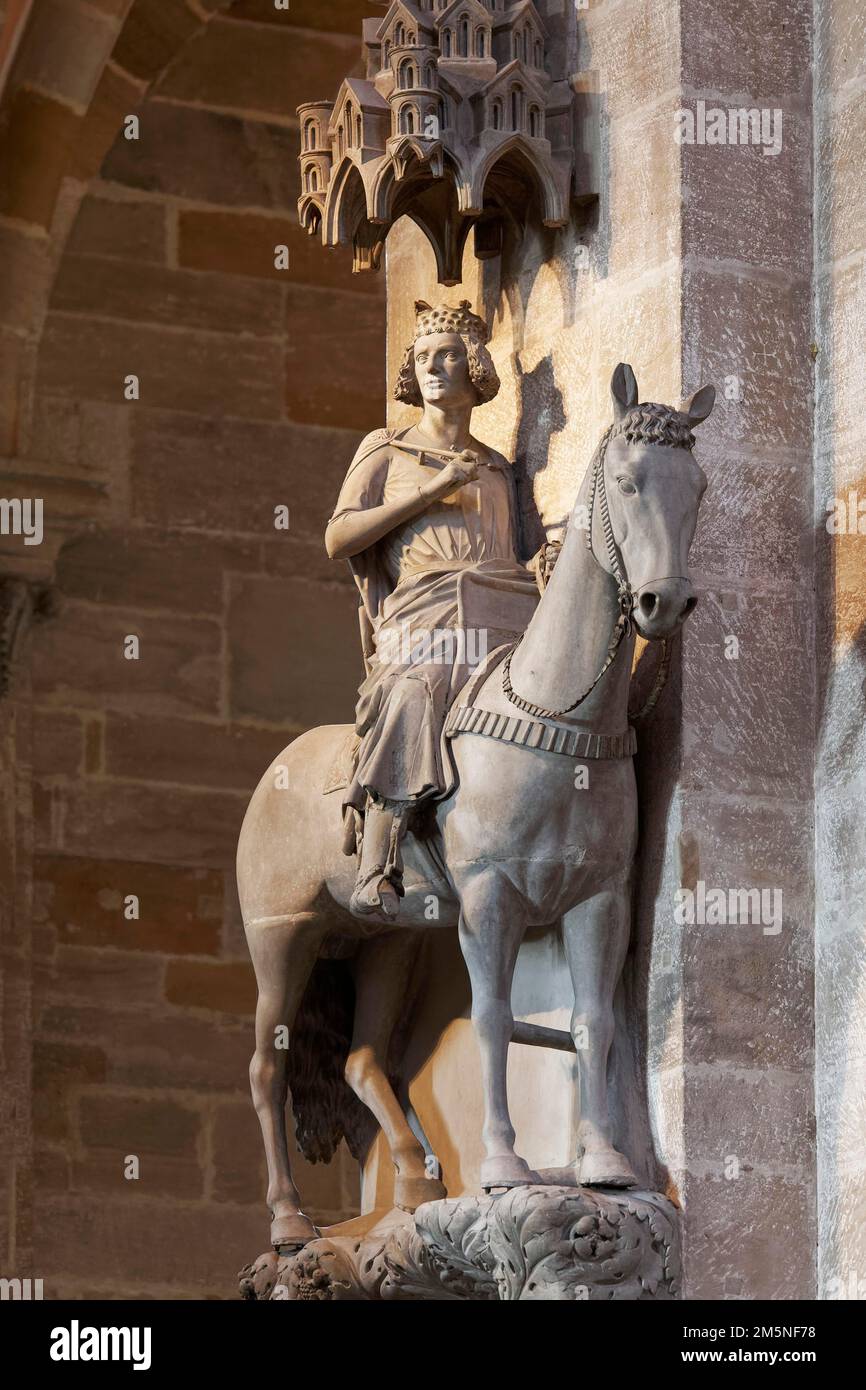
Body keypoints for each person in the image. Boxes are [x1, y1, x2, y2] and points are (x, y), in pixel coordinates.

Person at [325, 299, 556, 921]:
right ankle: (380, 855)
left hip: (503, 614)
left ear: (473, 368)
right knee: (420, 687)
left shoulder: (497, 467)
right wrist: (429, 491)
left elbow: (521, 550)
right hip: (420, 617)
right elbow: (338, 538)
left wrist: (548, 563)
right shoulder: (387, 450)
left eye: (448, 355)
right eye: (422, 357)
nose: (433, 368)